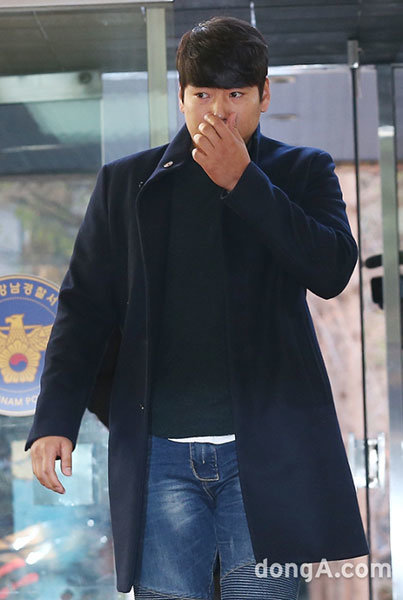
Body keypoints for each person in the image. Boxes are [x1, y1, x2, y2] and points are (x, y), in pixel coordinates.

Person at [25, 15, 369, 600]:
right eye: (204, 95)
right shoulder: (125, 183)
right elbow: (83, 309)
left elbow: (332, 270)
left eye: (236, 95)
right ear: (181, 97)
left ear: (264, 95)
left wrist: (245, 182)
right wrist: (54, 418)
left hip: (266, 453)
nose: (219, 112)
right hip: (158, 454)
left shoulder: (302, 170)